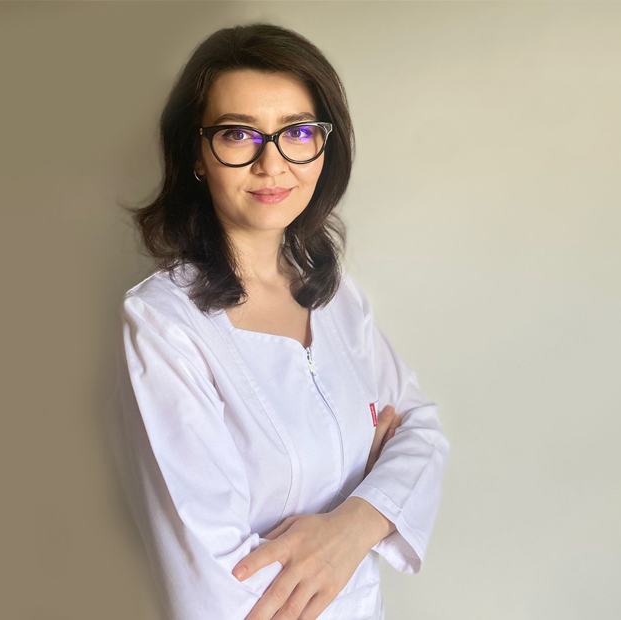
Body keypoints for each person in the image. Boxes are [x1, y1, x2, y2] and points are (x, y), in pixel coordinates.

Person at [109, 23, 451, 620]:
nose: (273, 164)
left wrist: (354, 523)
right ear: (196, 154)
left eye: (297, 132)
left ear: (324, 146)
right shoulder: (162, 325)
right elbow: (221, 586)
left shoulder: (338, 301)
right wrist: (375, 490)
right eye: (238, 134)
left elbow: (423, 433)